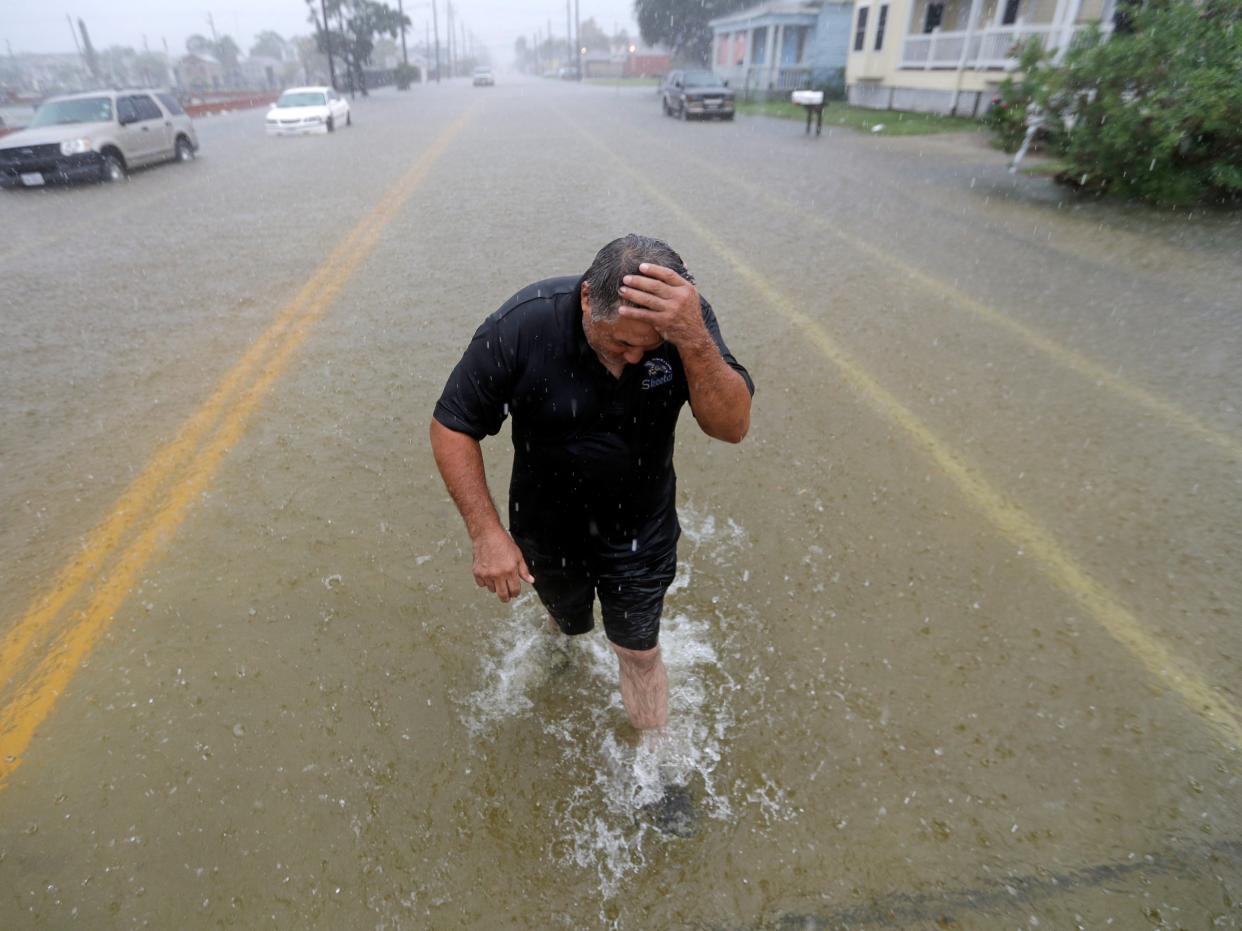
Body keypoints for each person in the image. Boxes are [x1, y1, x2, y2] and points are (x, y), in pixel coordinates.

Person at [430, 234, 754, 733]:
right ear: (587, 298)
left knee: (639, 653)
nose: (633, 359)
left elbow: (731, 427)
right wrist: (486, 533)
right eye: (621, 342)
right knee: (567, 622)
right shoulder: (525, 324)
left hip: (640, 526)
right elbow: (453, 425)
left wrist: (691, 339)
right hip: (546, 525)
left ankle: (656, 766)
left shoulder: (685, 324)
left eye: (650, 348)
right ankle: (563, 639)